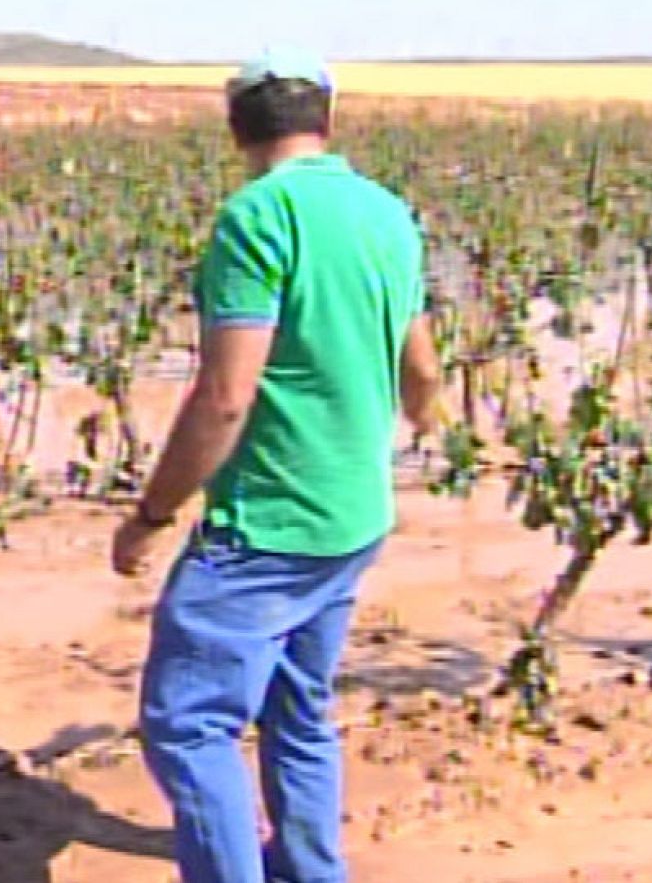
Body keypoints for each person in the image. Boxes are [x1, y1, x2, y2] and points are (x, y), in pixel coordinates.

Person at [111, 45, 441, 883]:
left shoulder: (256, 219)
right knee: (300, 708)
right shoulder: (387, 213)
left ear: (238, 128)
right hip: (354, 515)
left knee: (189, 726)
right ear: (327, 120)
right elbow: (424, 373)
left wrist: (151, 515)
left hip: (266, 525)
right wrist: (425, 422)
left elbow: (225, 397)